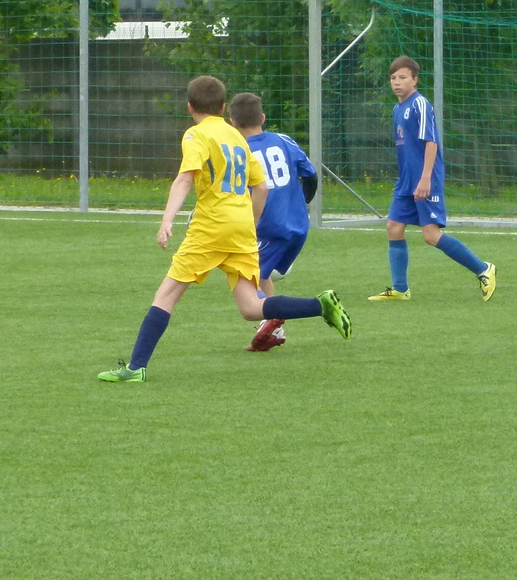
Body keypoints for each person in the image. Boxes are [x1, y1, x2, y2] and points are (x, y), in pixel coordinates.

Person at [98, 75, 350, 385]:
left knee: (166, 296)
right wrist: (250, 223)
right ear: (222, 108)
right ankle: (320, 305)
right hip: (241, 227)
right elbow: (261, 187)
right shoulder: (237, 137)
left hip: (211, 227)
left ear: (190, 107)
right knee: (251, 308)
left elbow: (185, 178)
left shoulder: (196, 134)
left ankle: (136, 367)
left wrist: (166, 220)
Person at [368, 55, 497, 302]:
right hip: (407, 181)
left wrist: (426, 178)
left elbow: (431, 142)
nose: (397, 82)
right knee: (394, 227)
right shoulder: (397, 109)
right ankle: (400, 289)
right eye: (393, 78)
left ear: (415, 80)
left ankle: (484, 269)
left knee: (431, 235)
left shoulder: (420, 104)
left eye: (403, 77)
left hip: (425, 179)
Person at [232, 91, 319, 352]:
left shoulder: (239, 151)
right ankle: (273, 327)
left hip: (268, 227)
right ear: (262, 117)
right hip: (299, 224)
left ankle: (279, 318)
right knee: (262, 272)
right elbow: (311, 175)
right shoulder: (284, 140)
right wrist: (301, 204)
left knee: (243, 274)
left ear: (232, 123)